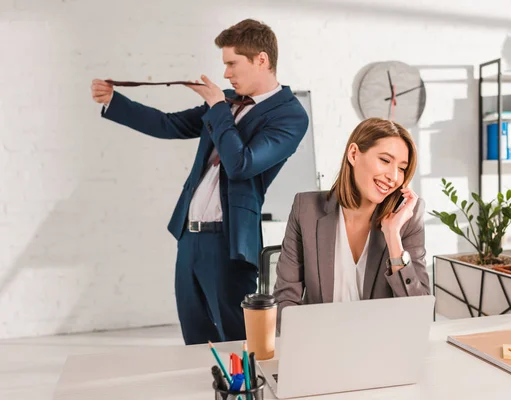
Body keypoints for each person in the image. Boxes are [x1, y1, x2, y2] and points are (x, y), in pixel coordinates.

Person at [90, 19, 309, 345]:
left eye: (232, 63)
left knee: (236, 340)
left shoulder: (290, 116)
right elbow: (170, 124)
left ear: (261, 60)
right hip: (188, 237)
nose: (226, 74)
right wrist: (114, 100)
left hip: (229, 243)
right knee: (195, 339)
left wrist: (218, 106)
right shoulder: (230, 100)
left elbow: (240, 164)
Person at [273, 117, 429, 324]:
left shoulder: (407, 217)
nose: (393, 176)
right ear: (354, 154)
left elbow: (419, 314)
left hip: (383, 347)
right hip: (321, 343)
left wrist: (393, 237)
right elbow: (286, 299)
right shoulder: (306, 209)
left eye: (402, 168)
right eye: (385, 160)